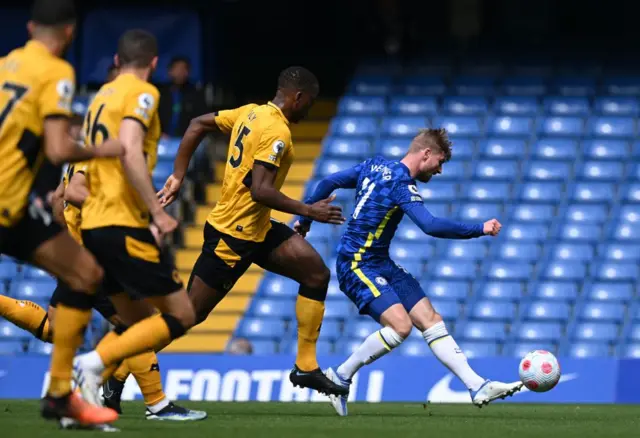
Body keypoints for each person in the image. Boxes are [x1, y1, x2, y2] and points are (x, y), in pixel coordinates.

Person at [296, 128, 523, 416]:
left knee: (431, 319)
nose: (439, 170)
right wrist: (480, 228)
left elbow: (329, 181)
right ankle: (340, 376)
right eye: (440, 162)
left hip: (380, 262)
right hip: (356, 263)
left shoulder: (373, 165)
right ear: (426, 154)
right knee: (401, 327)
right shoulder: (401, 184)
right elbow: (430, 225)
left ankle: (477, 385)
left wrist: (305, 220)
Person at [157, 66, 347, 396]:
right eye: (310, 102)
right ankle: (121, 363)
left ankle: (305, 367)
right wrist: (308, 209)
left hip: (257, 229)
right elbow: (260, 190)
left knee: (316, 274)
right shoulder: (277, 132)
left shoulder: (250, 113)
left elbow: (197, 124)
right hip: (232, 236)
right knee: (188, 315)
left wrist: (178, 174)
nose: (309, 109)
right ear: (297, 97)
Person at [0, 0, 124, 425]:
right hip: (10, 202)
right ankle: (57, 393)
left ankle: (59, 394)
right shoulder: (56, 73)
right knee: (86, 275)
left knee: (84, 274)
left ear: (31, 26)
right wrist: (101, 149)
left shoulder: (4, 66)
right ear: (70, 32)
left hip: (16, 199)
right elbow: (57, 147)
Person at [69, 30, 198, 416]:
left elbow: (83, 173)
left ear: (116, 59)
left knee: (135, 321)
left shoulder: (97, 100)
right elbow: (128, 149)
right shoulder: (143, 93)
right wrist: (157, 213)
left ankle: (111, 383)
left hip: (91, 228)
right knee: (182, 314)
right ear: (154, 63)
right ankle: (91, 365)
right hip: (120, 224)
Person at [157, 56, 207, 138]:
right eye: (177, 69)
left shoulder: (196, 94)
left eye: (184, 69)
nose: (180, 73)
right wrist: (159, 134)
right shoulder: (160, 93)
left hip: (188, 138)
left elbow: (202, 118)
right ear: (170, 71)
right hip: (162, 140)